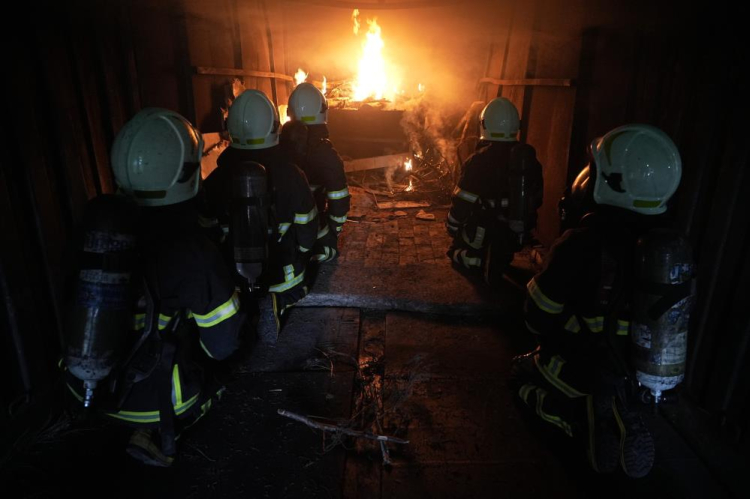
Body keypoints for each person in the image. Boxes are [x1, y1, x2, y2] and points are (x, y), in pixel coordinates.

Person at [64, 108, 246, 467]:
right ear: (186, 172)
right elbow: (223, 345)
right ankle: (164, 433)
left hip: (87, 391)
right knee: (226, 367)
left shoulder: (95, 232)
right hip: (160, 405)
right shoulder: (193, 249)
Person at [511, 124, 683, 478]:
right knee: (611, 381)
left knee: (519, 377)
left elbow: (537, 316)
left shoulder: (580, 242)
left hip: (581, 363)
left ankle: (576, 420)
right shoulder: (666, 251)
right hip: (635, 371)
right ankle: (622, 407)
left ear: (612, 183)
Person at [203, 89, 318, 340]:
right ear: (274, 127)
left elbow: (207, 236)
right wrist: (303, 254)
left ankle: (247, 310)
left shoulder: (214, 180)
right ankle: (278, 302)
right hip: (284, 278)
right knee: (307, 275)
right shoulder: (292, 174)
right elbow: (307, 230)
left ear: (231, 129)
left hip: (233, 281)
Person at [445, 97, 543, 286]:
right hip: (517, 233)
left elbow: (462, 201)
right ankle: (498, 258)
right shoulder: (528, 159)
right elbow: (537, 198)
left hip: (483, 232)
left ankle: (478, 261)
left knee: (453, 250)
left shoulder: (478, 161)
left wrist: (452, 226)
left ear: (484, 124)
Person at [287, 82, 350, 263]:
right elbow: (339, 198)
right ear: (323, 111)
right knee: (327, 251)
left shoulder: (281, 147)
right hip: (314, 224)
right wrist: (334, 230)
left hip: (282, 228)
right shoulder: (326, 153)